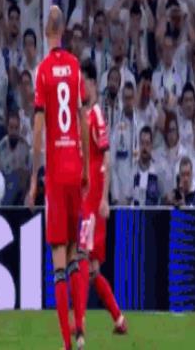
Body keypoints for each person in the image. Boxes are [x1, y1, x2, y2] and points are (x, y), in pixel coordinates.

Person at [26, 5, 90, 350]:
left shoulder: (43, 72)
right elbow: (83, 119)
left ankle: (67, 343)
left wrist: (34, 177)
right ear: (62, 31)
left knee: (59, 260)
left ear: (45, 30)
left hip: (55, 172)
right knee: (76, 252)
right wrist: (86, 166)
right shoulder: (76, 67)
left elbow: (38, 129)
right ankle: (80, 329)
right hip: (75, 166)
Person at [76, 59, 127, 335]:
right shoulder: (83, 115)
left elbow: (106, 157)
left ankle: (79, 324)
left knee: (82, 259)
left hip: (93, 205)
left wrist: (104, 198)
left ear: (93, 84)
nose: (80, 87)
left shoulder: (95, 115)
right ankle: (118, 319)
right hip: (86, 201)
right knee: (93, 269)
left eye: (83, 82)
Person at [132, 126, 161, 206]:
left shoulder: (157, 172)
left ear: (151, 145)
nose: (144, 147)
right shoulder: (132, 171)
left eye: (147, 143)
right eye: (142, 143)